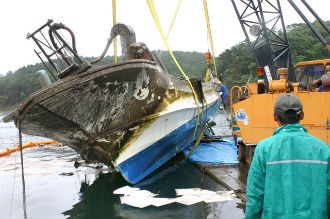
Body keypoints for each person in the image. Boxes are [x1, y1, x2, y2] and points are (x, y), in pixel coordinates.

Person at [245, 93, 330, 219]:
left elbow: (255, 195)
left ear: (275, 116)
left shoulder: (264, 149)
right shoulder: (323, 149)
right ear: (302, 115)